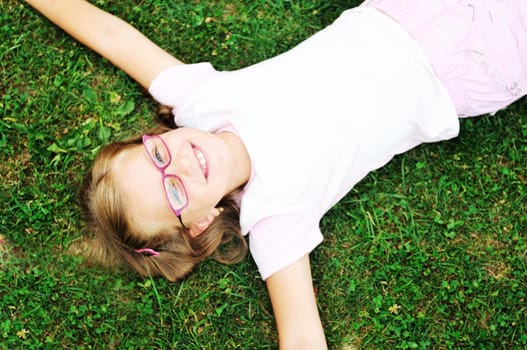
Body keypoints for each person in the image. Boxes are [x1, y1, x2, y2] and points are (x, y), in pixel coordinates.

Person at [24, 0, 527, 348]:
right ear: (199, 223)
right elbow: (303, 338)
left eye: (157, 157)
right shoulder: (274, 219)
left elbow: (108, 33)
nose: (178, 163)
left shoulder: (198, 101)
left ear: (154, 137)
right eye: (173, 191)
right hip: (475, 64)